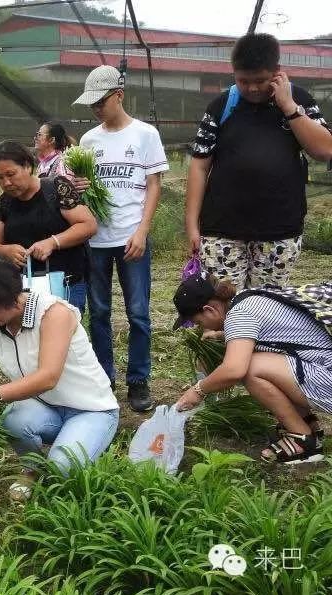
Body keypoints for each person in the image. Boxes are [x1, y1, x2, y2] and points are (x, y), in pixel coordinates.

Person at [0, 256, 119, 502]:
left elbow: (48, 377)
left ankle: (82, 445)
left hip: (91, 411)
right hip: (47, 409)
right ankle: (32, 467)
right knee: (12, 418)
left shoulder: (54, 314)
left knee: (62, 468)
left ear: (12, 295)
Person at [186, 33, 332, 290]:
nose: (253, 88)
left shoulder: (300, 101)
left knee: (266, 307)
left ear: (277, 71)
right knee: (226, 307)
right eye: (244, 81)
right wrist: (192, 225)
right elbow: (199, 165)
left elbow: (324, 150)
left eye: (260, 81)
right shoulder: (221, 106)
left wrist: (289, 107)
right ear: (234, 73)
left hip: (280, 231)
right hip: (221, 229)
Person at [73, 65, 169, 412]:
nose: (97, 109)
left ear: (119, 95)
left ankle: (138, 380)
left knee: (139, 312)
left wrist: (142, 230)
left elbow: (154, 185)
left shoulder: (145, 134)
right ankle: (103, 378)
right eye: (92, 104)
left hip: (132, 237)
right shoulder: (88, 141)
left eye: (102, 101)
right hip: (95, 238)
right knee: (98, 312)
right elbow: (83, 189)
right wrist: (80, 188)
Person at [173, 273, 331, 464]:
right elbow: (275, 335)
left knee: (249, 367)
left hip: (326, 375)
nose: (201, 327)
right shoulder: (249, 298)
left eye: (199, 322)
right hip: (322, 366)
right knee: (255, 360)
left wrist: (198, 390)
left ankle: (303, 439)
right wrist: (223, 335)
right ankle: (306, 424)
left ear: (210, 310)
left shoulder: (240, 315)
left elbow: (234, 370)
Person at [0, 141, 95, 313]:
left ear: (28, 167)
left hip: (65, 283)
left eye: (11, 174)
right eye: (0, 177)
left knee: (63, 334)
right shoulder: (5, 202)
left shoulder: (57, 188)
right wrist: (6, 251)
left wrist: (53, 242)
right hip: (24, 286)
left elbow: (88, 225)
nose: (6, 183)